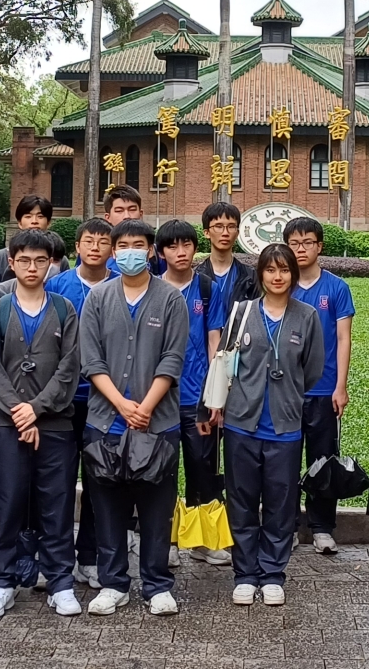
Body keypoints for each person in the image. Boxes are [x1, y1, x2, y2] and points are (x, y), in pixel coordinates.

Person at [78, 219, 190, 616]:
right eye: (122, 245)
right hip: (104, 421)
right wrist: (122, 404)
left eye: (137, 245)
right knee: (107, 507)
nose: (130, 252)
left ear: (151, 251)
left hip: (158, 423)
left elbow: (173, 358)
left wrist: (145, 406)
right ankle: (113, 583)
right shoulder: (98, 298)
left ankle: (157, 584)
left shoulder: (170, 299)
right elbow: (90, 359)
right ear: (113, 252)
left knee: (156, 508)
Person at [0, 229, 83, 618]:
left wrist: (36, 409)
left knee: (56, 505)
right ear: (11, 261)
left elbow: (70, 367)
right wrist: (18, 412)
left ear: (51, 263)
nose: (32, 267)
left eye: (40, 260)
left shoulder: (64, 310)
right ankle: (2, 582)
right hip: (6, 426)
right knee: (6, 504)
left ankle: (60, 581)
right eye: (24, 260)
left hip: (55, 425)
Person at [213, 243, 326, 607]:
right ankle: (246, 574)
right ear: (260, 274)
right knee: (242, 501)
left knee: (281, 503)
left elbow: (312, 369)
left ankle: (273, 573)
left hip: (285, 425)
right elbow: (226, 362)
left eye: (284, 270)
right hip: (241, 423)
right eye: (270, 270)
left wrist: (289, 394)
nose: (278, 277)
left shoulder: (307, 316)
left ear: (293, 274)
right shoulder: (242, 312)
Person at [47, 216, 115, 588]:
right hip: (62, 403)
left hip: (105, 403)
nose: (95, 247)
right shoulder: (57, 286)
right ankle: (54, 557)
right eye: (89, 240)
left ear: (112, 249)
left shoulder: (120, 287)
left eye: (103, 242)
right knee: (57, 481)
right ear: (77, 246)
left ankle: (90, 556)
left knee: (98, 481)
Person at [281, 216, 355, 553]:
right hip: (286, 391)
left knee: (323, 460)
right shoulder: (282, 284)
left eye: (307, 242)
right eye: (294, 243)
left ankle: (322, 527)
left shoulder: (336, 288)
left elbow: (343, 339)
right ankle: (287, 526)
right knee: (285, 460)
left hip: (324, 390)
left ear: (319, 246)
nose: (301, 249)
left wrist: (341, 386)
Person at [158, 218, 226, 564]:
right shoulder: (153, 290)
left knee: (203, 471)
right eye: (172, 246)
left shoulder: (207, 288)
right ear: (161, 253)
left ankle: (203, 541)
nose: (180, 252)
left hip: (197, 399)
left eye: (186, 245)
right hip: (160, 401)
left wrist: (215, 397)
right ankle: (166, 541)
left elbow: (215, 343)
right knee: (162, 473)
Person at [0, 195, 59, 282]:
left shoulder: (58, 257)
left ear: (48, 223)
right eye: (28, 216)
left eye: (40, 216)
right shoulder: (1, 257)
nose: (34, 221)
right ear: (19, 222)